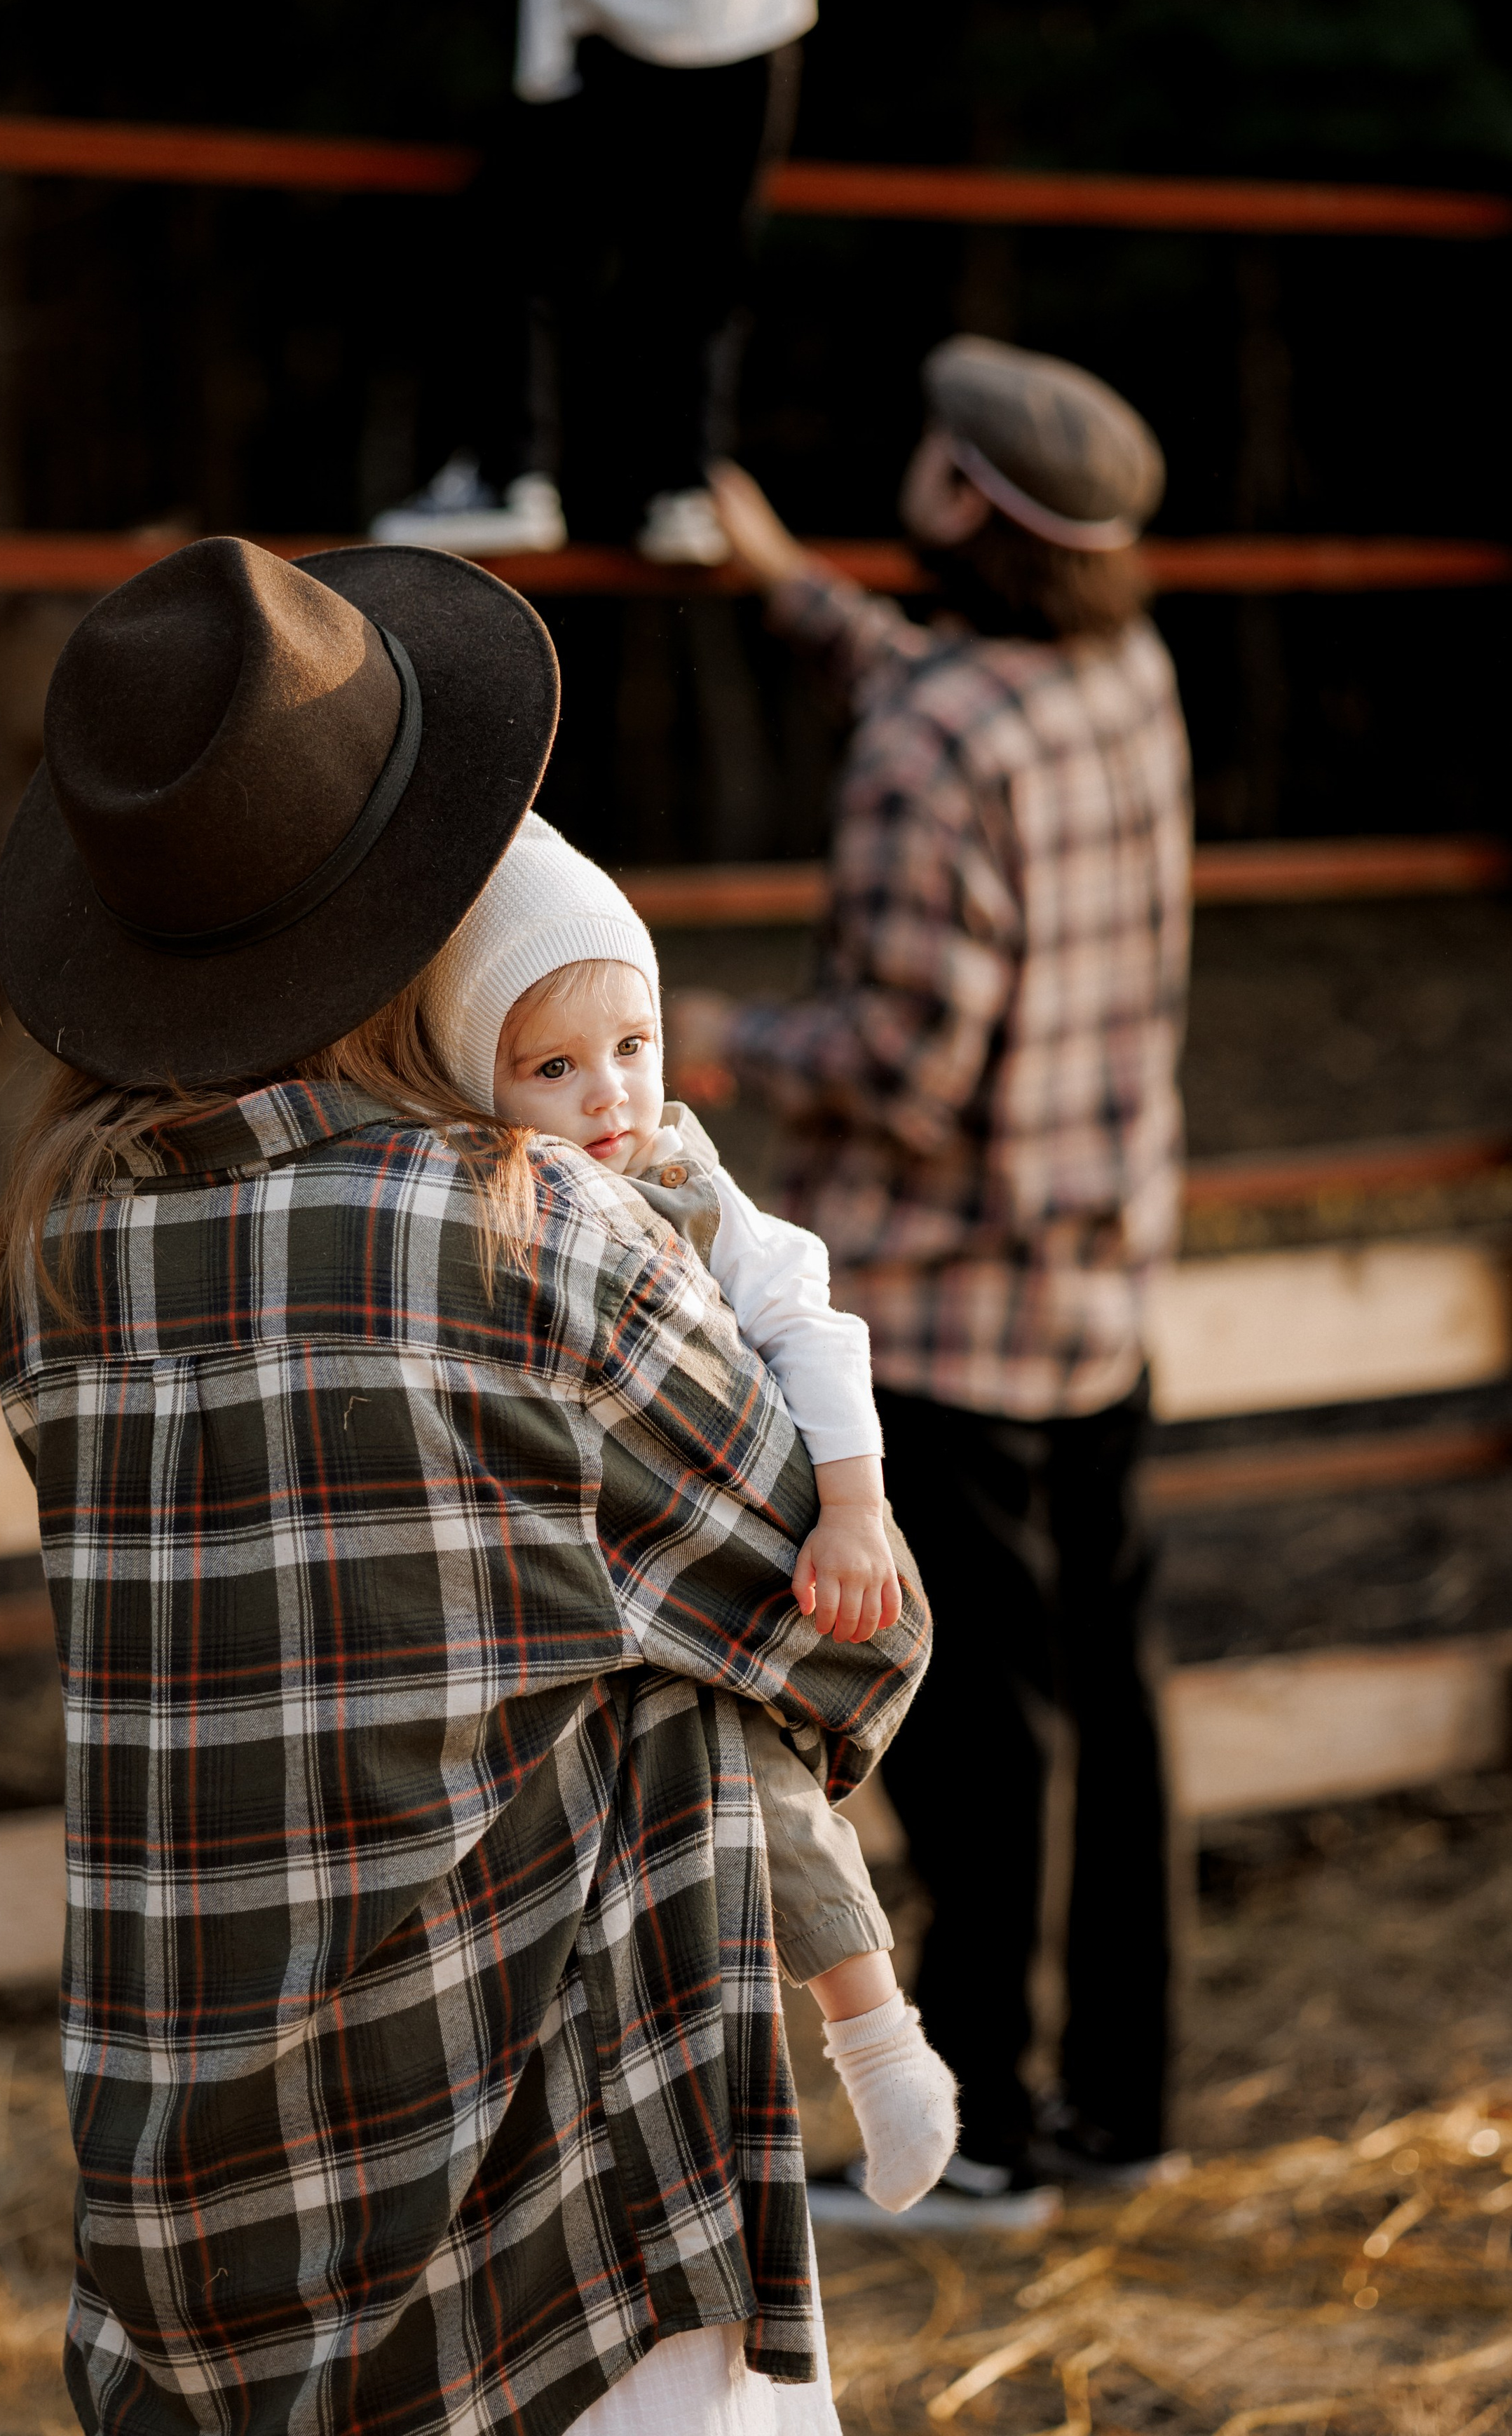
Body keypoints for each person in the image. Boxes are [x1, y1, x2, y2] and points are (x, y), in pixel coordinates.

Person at [0, 532, 931, 2432]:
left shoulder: (61, 1250)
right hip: (537, 2209)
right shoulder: (515, 1232)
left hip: (191, 2229)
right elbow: (839, 1647)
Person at [680, 335, 1193, 2207]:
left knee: (974, 1739)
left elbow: (898, 1071)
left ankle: (982, 2143)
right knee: (1112, 1706)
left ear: (970, 504)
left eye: (935, 456)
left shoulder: (934, 739)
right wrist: (799, 596)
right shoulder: (1121, 675)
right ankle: (1119, 2113)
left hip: (955, 1309)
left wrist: (720, 1032)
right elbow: (946, 716)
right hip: (1104, 1285)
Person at [416, 810, 959, 2214]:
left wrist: (848, 1509)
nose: (608, 1091)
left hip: (701, 1573)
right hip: (569, 1591)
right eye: (553, 1067)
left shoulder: (692, 1193)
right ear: (480, 1081)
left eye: (632, 1046)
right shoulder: (486, 1206)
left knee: (756, 1791)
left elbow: (810, 1324)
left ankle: (874, 2037)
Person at [370, 0, 826, 566]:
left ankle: (512, 475)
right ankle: (680, 488)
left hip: (624, 21)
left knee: (514, 245)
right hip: (757, 9)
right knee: (702, 267)